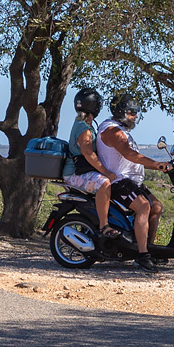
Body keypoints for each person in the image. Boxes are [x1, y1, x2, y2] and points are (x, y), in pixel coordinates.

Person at [96, 92, 171, 272]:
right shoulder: (112, 131)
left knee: (157, 207)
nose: (136, 116)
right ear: (121, 112)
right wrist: (157, 165)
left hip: (131, 181)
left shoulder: (120, 130)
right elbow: (130, 155)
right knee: (144, 206)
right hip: (119, 181)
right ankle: (142, 256)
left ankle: (148, 248)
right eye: (132, 112)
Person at [61, 87, 118, 243]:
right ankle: (104, 226)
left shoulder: (82, 123)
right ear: (95, 107)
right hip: (74, 174)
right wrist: (106, 172)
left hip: (81, 172)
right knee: (104, 183)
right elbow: (88, 154)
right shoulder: (84, 128)